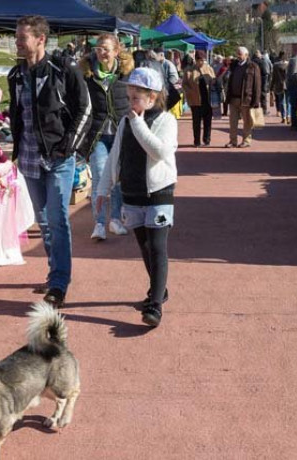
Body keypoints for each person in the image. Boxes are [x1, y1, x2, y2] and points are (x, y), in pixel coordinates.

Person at [8, 15, 91, 307]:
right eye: (16, 37)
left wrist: (69, 146)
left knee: (57, 220)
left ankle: (58, 284)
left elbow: (85, 108)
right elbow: (16, 114)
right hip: (29, 160)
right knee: (43, 221)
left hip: (58, 158)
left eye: (22, 38)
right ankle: (55, 270)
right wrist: (14, 148)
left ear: (40, 39)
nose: (16, 42)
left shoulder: (63, 68)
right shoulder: (15, 74)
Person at [95, 67, 178, 327]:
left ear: (152, 98)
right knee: (143, 247)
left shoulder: (166, 121)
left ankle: (154, 305)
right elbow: (114, 156)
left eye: (136, 98)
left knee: (157, 247)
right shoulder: (125, 122)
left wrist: (139, 123)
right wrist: (102, 189)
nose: (130, 103)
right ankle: (159, 289)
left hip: (159, 192)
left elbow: (159, 152)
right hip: (132, 192)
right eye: (129, 97)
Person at [80, 33, 132, 241]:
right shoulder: (86, 73)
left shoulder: (127, 73)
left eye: (106, 49)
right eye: (98, 48)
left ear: (116, 51)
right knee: (101, 177)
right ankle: (99, 223)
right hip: (97, 135)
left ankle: (116, 220)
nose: (101, 52)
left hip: (120, 134)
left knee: (118, 178)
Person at [224, 46, 261, 148]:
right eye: (237, 54)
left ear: (246, 55)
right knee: (232, 122)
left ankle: (246, 141)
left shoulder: (253, 66)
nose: (238, 56)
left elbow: (257, 85)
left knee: (247, 122)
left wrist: (256, 101)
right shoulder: (234, 65)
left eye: (240, 54)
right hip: (233, 98)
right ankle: (233, 141)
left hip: (246, 99)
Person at [182, 53, 216, 147]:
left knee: (207, 122)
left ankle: (207, 140)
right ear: (195, 60)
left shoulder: (209, 69)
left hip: (207, 100)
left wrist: (213, 82)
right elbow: (184, 84)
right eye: (199, 60)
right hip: (195, 101)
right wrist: (190, 91)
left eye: (203, 60)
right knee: (196, 122)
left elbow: (214, 81)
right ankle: (196, 141)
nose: (201, 62)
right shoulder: (189, 70)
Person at [271, 51, 289, 124]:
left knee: (281, 101)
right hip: (288, 85)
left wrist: (271, 87)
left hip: (279, 85)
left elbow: (274, 77)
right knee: (288, 102)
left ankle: (283, 117)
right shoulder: (289, 65)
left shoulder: (275, 65)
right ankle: (289, 116)